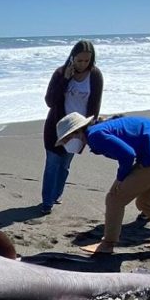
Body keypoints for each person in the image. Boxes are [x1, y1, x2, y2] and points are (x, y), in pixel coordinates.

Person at [55, 112, 150, 255]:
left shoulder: (95, 135)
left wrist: (121, 178)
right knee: (146, 202)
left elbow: (128, 155)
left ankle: (107, 244)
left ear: (77, 132)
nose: (67, 143)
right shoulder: (101, 127)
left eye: (67, 138)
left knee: (114, 199)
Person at [40, 40, 104, 214]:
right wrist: (65, 80)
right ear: (72, 58)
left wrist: (87, 130)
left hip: (79, 128)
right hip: (57, 127)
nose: (83, 64)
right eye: (79, 60)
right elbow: (50, 101)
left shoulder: (95, 75)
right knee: (52, 164)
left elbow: (95, 105)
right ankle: (46, 202)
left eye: (86, 61)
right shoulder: (60, 73)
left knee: (65, 165)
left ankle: (56, 194)